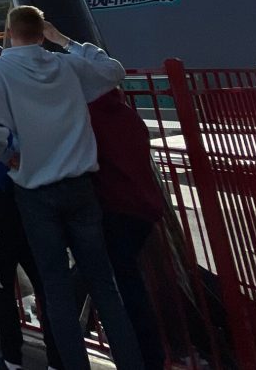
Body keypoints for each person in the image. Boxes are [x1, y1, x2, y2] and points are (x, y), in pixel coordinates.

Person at [0, 6, 144, 370]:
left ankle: (70, 363)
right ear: (42, 30)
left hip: (34, 189)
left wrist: (6, 156)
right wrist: (64, 40)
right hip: (81, 185)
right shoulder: (66, 65)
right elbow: (112, 71)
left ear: (9, 31)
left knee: (55, 286)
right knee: (104, 285)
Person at [0, 117, 63, 370]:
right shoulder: (38, 102)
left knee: (1, 287)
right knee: (48, 287)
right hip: (39, 203)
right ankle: (57, 358)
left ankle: (12, 360)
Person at [87, 86, 168, 370]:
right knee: (127, 280)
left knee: (119, 285)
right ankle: (147, 353)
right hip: (143, 209)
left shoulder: (89, 117)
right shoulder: (129, 117)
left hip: (115, 209)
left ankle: (137, 354)